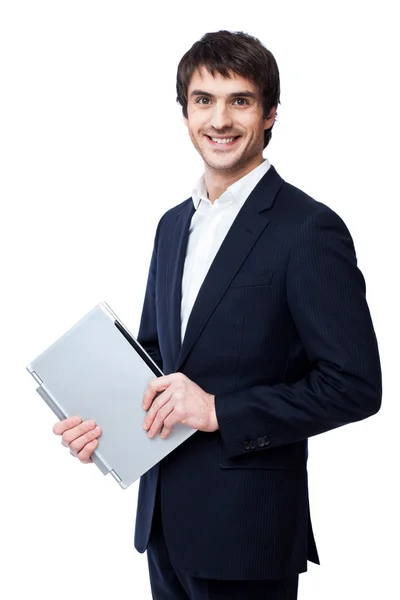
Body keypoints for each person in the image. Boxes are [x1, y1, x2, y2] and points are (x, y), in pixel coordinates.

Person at [53, 30, 382, 599]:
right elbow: (158, 364)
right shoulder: (172, 224)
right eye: (204, 100)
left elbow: (354, 385)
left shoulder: (308, 229)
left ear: (270, 113)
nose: (220, 119)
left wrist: (219, 410)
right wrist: (103, 427)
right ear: (184, 113)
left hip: (247, 535)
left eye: (241, 100)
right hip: (164, 526)